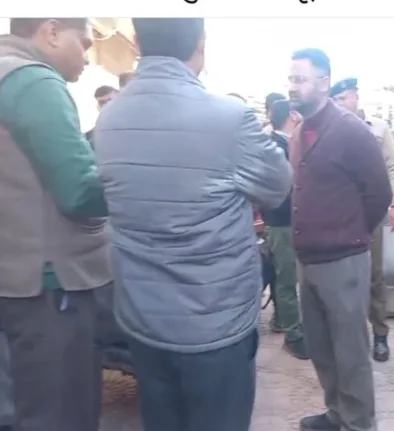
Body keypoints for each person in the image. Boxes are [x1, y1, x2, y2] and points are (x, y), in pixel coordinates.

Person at [94, 18, 292, 431]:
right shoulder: (229, 118)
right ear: (201, 42)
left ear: (137, 42)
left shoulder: (110, 119)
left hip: (143, 318)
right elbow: (278, 187)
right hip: (216, 324)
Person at [0, 18, 111, 431]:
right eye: (83, 43)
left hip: (13, 275)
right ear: (50, 31)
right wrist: (125, 184)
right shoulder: (34, 82)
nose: (87, 57)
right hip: (49, 283)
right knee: (62, 413)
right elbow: (78, 190)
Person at [288, 48, 392, 431]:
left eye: (300, 78)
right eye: (291, 79)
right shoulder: (300, 132)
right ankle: (337, 414)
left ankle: (359, 424)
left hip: (343, 261)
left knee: (350, 353)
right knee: (322, 349)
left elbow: (379, 193)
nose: (293, 86)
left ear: (324, 82)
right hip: (309, 260)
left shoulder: (349, 130)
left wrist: (351, 233)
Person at [330, 76, 394, 362]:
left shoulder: (378, 128)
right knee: (341, 274)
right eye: (335, 100)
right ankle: (348, 336)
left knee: (374, 275)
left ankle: (380, 334)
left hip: (370, 212)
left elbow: (393, 166)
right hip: (338, 213)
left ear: (356, 97)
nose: (339, 104)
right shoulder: (328, 128)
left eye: (344, 98)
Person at [262, 99, 308, 359]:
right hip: (283, 221)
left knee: (293, 277)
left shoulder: (285, 144)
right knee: (287, 278)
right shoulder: (276, 147)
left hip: (292, 220)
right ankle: (292, 333)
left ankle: (296, 326)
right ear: (293, 116)